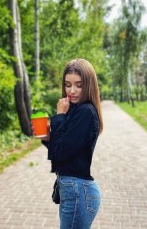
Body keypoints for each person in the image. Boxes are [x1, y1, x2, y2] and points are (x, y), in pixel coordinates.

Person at [36, 58, 103, 229]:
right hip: (73, 190)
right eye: (67, 84)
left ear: (88, 85)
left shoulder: (85, 112)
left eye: (79, 85)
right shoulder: (75, 111)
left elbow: (60, 153)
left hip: (78, 191)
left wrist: (59, 116)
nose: (72, 90)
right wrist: (45, 136)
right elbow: (61, 149)